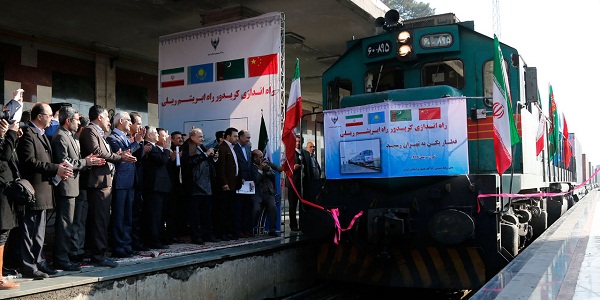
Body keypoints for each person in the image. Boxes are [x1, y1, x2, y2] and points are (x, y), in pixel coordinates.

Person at [17, 102, 73, 279]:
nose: (52, 119)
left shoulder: (41, 134)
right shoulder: (28, 134)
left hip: (43, 190)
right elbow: (29, 162)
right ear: (39, 116)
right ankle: (29, 266)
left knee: (39, 232)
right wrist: (55, 168)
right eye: (49, 115)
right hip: (33, 190)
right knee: (30, 230)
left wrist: (59, 169)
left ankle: (40, 262)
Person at [79, 105, 136, 268]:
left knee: (103, 220)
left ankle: (100, 252)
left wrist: (118, 156)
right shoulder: (90, 130)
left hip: (105, 182)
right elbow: (98, 152)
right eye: (107, 118)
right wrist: (120, 157)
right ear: (99, 117)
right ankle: (98, 255)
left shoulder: (99, 133)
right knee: (99, 221)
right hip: (97, 183)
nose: (110, 123)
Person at [51, 106, 104, 271]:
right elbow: (65, 162)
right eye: (76, 120)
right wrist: (85, 162)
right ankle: (61, 258)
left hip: (73, 186)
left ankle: (65, 256)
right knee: (64, 225)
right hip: (66, 187)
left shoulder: (71, 136)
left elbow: (74, 160)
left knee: (70, 224)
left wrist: (84, 160)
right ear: (68, 121)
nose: (79, 122)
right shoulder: (60, 136)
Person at [106, 111, 144, 258]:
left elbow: (134, 156)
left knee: (128, 215)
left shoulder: (127, 138)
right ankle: (118, 246)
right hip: (120, 181)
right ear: (121, 121)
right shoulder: (112, 138)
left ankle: (127, 245)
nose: (130, 123)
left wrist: (137, 143)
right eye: (128, 120)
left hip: (130, 181)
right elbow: (122, 156)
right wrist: (137, 143)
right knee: (119, 216)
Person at [181, 128, 219, 244]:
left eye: (203, 137)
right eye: (200, 137)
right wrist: (205, 155)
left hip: (206, 185)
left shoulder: (201, 147)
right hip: (195, 186)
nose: (202, 139)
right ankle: (197, 237)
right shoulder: (188, 147)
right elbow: (189, 162)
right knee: (195, 215)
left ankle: (207, 235)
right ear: (192, 137)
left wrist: (213, 157)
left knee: (206, 214)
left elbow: (207, 161)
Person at [141, 127, 173, 249]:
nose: (157, 136)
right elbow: (161, 160)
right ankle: (153, 240)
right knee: (154, 215)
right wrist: (166, 149)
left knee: (160, 215)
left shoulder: (154, 147)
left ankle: (159, 237)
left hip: (161, 187)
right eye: (154, 133)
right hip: (154, 187)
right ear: (148, 136)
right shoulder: (150, 147)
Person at [0, 119, 21, 289]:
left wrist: (13, 138)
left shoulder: (5, 140)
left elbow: (11, 158)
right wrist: (11, 134)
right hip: (1, 192)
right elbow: (4, 157)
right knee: (1, 233)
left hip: (6, 191)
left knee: (4, 233)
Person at [214, 127, 242, 241]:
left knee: (231, 210)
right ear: (228, 136)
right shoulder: (222, 148)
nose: (236, 138)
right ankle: (222, 233)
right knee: (223, 210)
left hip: (233, 184)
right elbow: (220, 168)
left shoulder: (232, 148)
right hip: (226, 185)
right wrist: (224, 183)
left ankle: (229, 231)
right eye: (234, 136)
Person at [128, 112, 149, 251]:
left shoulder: (138, 140)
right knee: (128, 216)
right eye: (138, 124)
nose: (141, 127)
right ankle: (129, 243)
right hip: (127, 181)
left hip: (138, 181)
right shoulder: (127, 139)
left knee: (136, 214)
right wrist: (138, 143)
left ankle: (136, 242)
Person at [70, 115, 90, 263]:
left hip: (83, 186)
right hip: (76, 186)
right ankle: (74, 249)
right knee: (76, 220)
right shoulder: (75, 141)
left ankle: (79, 248)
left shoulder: (81, 141)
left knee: (81, 220)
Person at [250, 149, 279, 237]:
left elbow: (273, 174)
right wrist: (260, 170)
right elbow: (256, 181)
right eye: (260, 157)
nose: (262, 158)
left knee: (273, 208)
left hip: (268, 193)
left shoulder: (266, 164)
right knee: (256, 209)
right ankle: (251, 229)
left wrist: (267, 170)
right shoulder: (251, 167)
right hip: (257, 194)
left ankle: (272, 230)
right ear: (254, 158)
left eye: (262, 156)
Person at [286, 135, 310, 231]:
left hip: (304, 184)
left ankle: (304, 224)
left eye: (300, 141)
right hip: (293, 184)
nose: (298, 143)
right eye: (296, 141)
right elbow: (285, 167)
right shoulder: (289, 153)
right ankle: (293, 225)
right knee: (292, 206)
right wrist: (292, 167)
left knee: (304, 205)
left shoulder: (306, 153)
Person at [233, 130, 254, 237]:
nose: (248, 140)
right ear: (240, 137)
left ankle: (246, 228)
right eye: (247, 138)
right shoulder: (234, 148)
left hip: (249, 182)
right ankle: (238, 229)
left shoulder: (248, 147)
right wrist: (239, 178)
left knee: (247, 207)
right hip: (239, 181)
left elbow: (249, 163)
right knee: (238, 207)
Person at [166, 131, 185, 243]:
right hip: (171, 186)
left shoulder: (183, 150)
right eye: (178, 138)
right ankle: (170, 234)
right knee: (171, 212)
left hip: (180, 186)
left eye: (181, 138)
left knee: (179, 211)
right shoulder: (170, 150)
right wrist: (173, 159)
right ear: (172, 140)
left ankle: (178, 233)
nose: (180, 140)